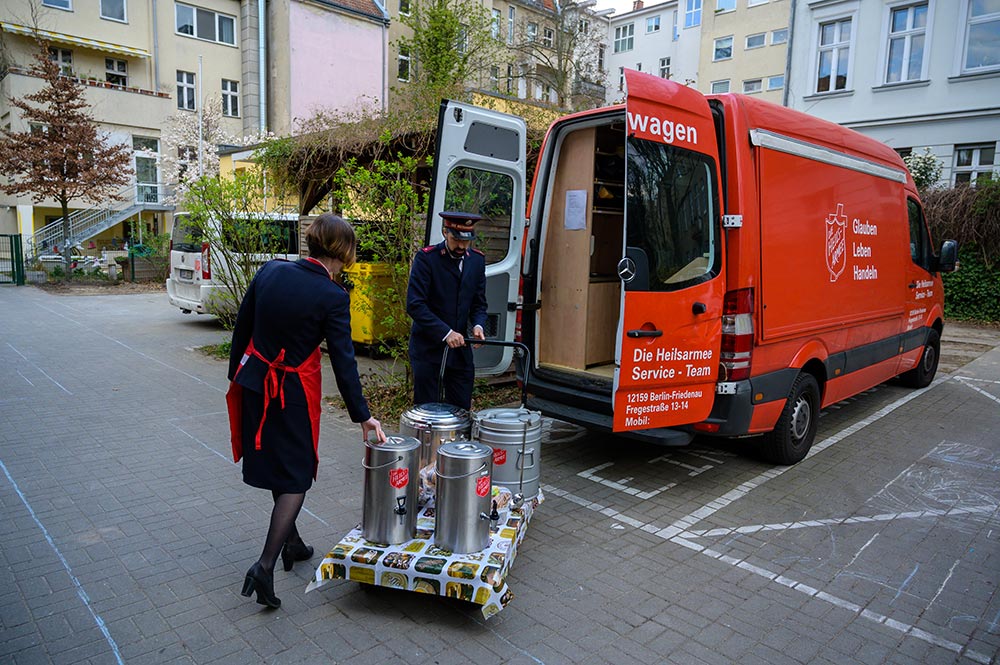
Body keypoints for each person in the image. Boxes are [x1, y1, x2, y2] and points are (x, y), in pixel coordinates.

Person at [226, 213, 386, 609]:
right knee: (296, 475)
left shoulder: (271, 271)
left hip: (255, 383)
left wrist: (237, 379)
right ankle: (263, 565)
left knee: (281, 465)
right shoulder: (332, 296)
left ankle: (291, 544)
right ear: (344, 251)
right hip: (291, 391)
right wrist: (363, 415)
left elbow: (242, 329)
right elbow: (344, 364)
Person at [406, 211, 488, 410]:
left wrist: (478, 325)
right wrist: (445, 332)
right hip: (428, 349)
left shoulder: (476, 261)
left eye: (466, 241)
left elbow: (479, 303)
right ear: (445, 232)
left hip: (460, 353)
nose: (461, 246)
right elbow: (415, 304)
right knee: (427, 412)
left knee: (461, 410)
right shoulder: (426, 259)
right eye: (456, 239)